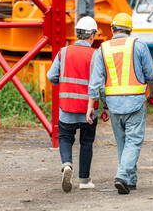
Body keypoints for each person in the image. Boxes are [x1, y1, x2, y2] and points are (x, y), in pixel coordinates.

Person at [86, 13, 153, 195]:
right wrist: (152, 93)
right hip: (135, 103)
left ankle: (130, 181)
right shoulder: (138, 45)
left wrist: (94, 106)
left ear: (112, 29)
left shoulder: (103, 48)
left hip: (114, 105)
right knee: (133, 142)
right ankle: (122, 175)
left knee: (123, 144)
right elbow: (150, 75)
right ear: (130, 30)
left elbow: (96, 81)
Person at [47, 16, 109, 193]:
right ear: (91, 36)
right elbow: (101, 85)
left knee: (65, 138)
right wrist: (105, 106)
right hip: (89, 110)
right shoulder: (96, 55)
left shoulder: (63, 52)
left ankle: (67, 166)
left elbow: (51, 76)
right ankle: (84, 180)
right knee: (86, 142)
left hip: (66, 107)